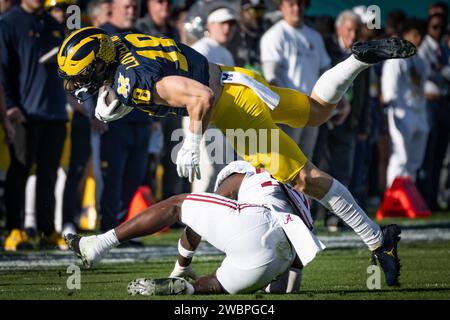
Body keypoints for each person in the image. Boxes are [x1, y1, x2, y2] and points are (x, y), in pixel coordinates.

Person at [57, 27, 416, 285]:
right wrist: (119, 97)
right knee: (318, 110)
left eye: (80, 75)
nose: (76, 84)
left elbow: (200, 98)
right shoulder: (118, 43)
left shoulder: (133, 77)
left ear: (101, 65)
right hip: (238, 79)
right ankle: (357, 60)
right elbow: (157, 72)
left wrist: (193, 143)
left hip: (231, 106)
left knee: (305, 178)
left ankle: (377, 240)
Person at [1, 0, 68, 250]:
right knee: (19, 172)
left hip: (54, 113)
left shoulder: (53, 24)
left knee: (48, 176)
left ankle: (47, 230)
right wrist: (9, 105)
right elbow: (2, 69)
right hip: (24, 113)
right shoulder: (8, 23)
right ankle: (14, 229)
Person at [95, 0, 152, 233]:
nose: (131, 11)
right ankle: (108, 227)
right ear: (112, 8)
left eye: (134, 7)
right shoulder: (100, 36)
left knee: (134, 178)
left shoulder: (139, 35)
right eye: (126, 6)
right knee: (113, 178)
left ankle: (121, 229)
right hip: (115, 120)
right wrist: (96, 111)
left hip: (141, 119)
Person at [260, 0, 331, 160]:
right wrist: (281, 105)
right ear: (281, 7)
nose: (296, 9)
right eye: (291, 4)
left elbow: (326, 71)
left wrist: (337, 99)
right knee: (286, 161)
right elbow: (271, 76)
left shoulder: (314, 36)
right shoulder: (275, 35)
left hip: (313, 107)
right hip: (289, 109)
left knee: (307, 160)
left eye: (300, 4)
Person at [382, 18, 429, 188]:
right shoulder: (395, 60)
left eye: (421, 35)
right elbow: (389, 92)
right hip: (401, 112)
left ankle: (408, 196)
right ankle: (393, 195)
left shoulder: (420, 60)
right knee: (400, 156)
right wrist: (393, 114)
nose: (419, 39)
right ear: (405, 35)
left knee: (415, 160)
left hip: (419, 111)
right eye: (415, 35)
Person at [417, 12, 450, 210]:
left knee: (439, 153)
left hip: (444, 103)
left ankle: (433, 197)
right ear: (428, 28)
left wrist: (442, 70)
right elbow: (429, 72)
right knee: (427, 153)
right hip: (429, 103)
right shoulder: (424, 48)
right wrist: (443, 71)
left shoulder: (442, 50)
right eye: (434, 27)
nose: (437, 32)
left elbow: (440, 71)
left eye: (441, 28)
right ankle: (424, 197)